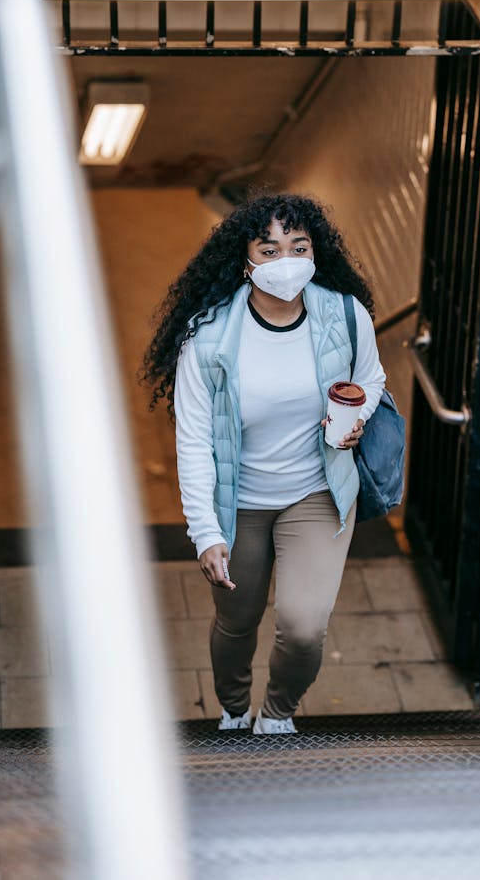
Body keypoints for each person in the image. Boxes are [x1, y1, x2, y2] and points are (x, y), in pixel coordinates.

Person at [143, 192, 385, 735]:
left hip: (318, 493)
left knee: (302, 629)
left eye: (298, 247)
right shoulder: (207, 341)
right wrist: (206, 532)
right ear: (246, 261)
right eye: (269, 250)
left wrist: (357, 414)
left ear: (315, 252)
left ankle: (276, 713)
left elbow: (371, 380)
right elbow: (194, 440)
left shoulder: (345, 316)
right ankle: (232, 708)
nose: (287, 261)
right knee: (237, 621)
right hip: (240, 502)